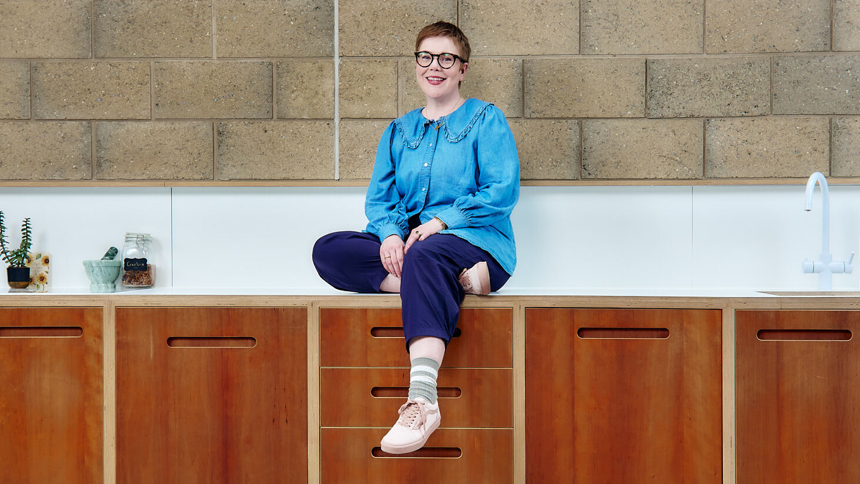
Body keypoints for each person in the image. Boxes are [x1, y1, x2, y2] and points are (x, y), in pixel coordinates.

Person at [312, 20, 519, 454]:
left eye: (447, 58)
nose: (434, 66)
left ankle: (423, 401)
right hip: (412, 248)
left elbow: (501, 192)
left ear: (463, 68)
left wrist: (440, 222)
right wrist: (388, 235)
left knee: (427, 251)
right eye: (426, 57)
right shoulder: (398, 130)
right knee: (329, 251)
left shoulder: (486, 119)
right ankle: (456, 283)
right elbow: (379, 199)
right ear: (416, 65)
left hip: (473, 239)